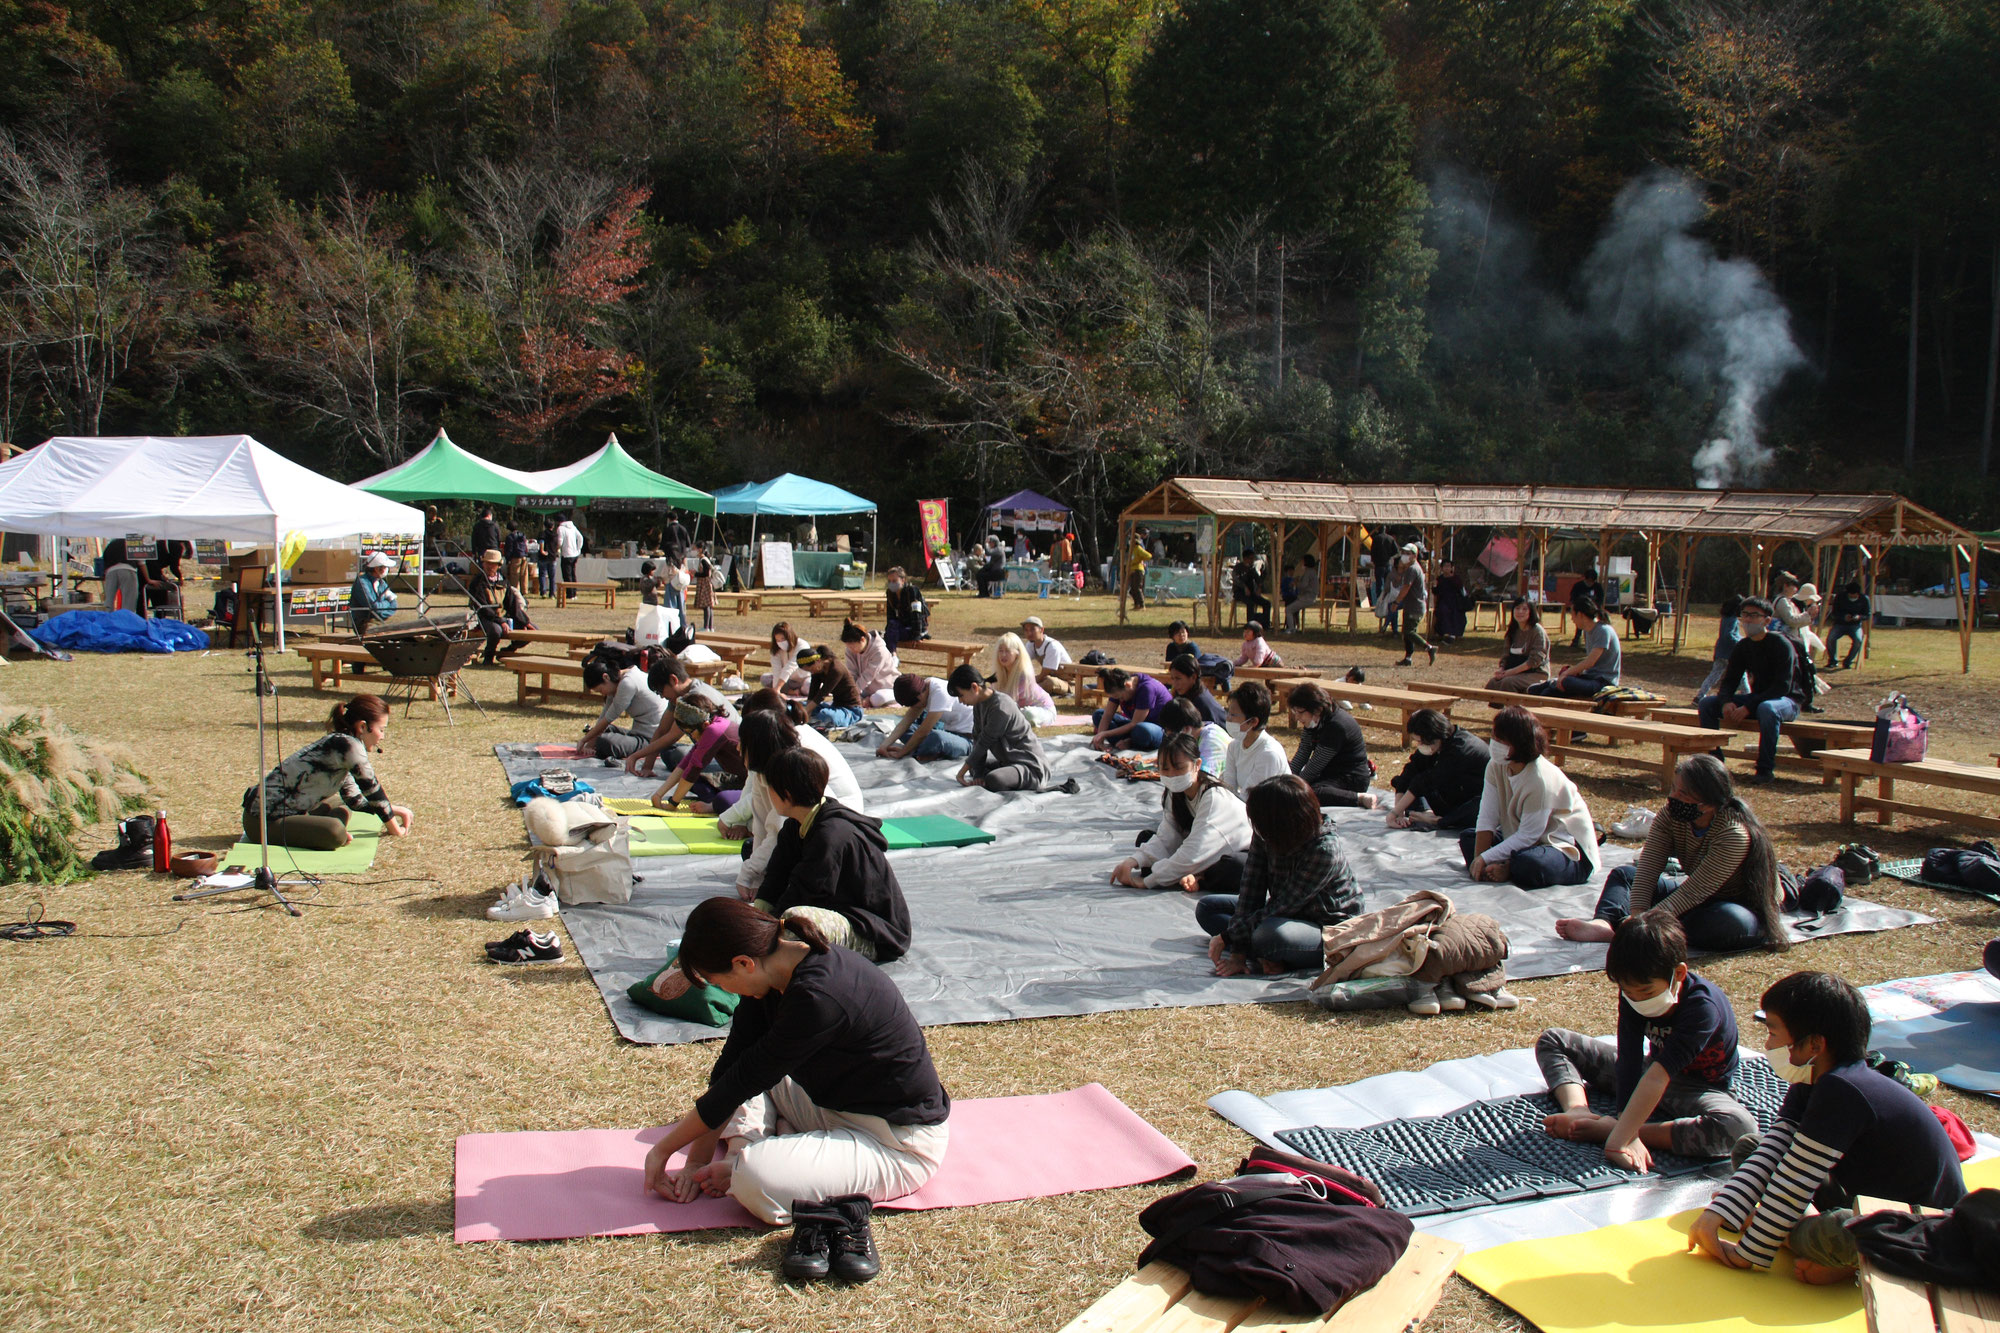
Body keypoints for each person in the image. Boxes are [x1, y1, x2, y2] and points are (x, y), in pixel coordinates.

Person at [639, 897, 949, 1234]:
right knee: (742, 1084)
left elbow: (741, 1082)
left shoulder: (818, 996)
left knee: (754, 1181)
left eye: (719, 982)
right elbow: (730, 1074)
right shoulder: (772, 974)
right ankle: (757, 1152)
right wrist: (695, 1163)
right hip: (828, 1105)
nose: (724, 990)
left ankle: (752, 1159)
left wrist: (661, 1151)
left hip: (895, 1143)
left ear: (743, 963)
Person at [1688, 972, 1965, 1286]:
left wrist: (1746, 1253)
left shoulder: (1842, 1089)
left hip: (1923, 1227)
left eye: (1774, 1033)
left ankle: (1829, 1250)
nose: (1768, 1045)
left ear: (1814, 1044)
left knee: (1837, 1234)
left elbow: (1795, 1181)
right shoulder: (1814, 1077)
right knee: (1751, 1147)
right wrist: (1718, 1214)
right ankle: (1787, 1231)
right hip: (1864, 1197)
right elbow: (1775, 1149)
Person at [1535, 911, 1756, 1173]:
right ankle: (1579, 1112)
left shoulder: (1702, 1008)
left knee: (1739, 1127)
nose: (1638, 1000)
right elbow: (1628, 1061)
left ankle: (1609, 1129)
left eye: (1647, 992)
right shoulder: (1633, 993)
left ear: (1679, 974)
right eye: (1629, 993)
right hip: (1649, 1071)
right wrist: (1620, 1118)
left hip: (1697, 1088)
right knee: (1554, 1040)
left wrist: (1622, 1134)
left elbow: (1658, 1077)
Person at [1557, 755, 1786, 951]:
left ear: (1706, 804)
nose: (1673, 797)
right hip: (1697, 896)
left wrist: (1642, 924)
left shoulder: (1734, 834)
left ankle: (1642, 936)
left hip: (1734, 904)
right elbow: (1648, 867)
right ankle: (1606, 925)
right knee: (1625, 875)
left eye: (1683, 793)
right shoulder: (1670, 816)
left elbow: (1694, 893)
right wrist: (1638, 915)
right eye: (1673, 789)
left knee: (1728, 923)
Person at [751, 747, 910, 960]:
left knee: (792, 925)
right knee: (748, 920)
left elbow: (806, 891)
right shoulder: (794, 826)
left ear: (786, 795)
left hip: (873, 933)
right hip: (837, 911)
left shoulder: (832, 835)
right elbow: (775, 877)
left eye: (770, 787)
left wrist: (763, 930)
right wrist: (756, 915)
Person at [1196, 775, 1362, 976]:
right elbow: (1251, 891)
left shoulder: (1325, 851)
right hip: (1282, 914)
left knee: (1269, 934)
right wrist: (1237, 953)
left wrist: (1227, 937)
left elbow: (1284, 905)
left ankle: (1273, 952)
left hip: (1325, 927)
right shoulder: (1266, 832)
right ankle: (1268, 955)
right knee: (1209, 908)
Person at [722, 707, 865, 902]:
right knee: (754, 851)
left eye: (742, 743)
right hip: (796, 837)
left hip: (825, 843)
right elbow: (762, 826)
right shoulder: (762, 772)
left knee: (783, 865)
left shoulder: (790, 772)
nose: (738, 748)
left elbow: (778, 835)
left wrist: (750, 876)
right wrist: (756, 880)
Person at [244, 694, 413, 849]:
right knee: (335, 832)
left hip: (288, 811)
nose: (382, 736)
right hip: (262, 821)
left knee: (340, 807)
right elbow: (372, 790)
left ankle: (312, 829)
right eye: (381, 730)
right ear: (363, 726)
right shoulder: (350, 746)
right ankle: (319, 832)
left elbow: (354, 799)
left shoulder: (341, 744)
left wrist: (394, 810)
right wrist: (395, 829)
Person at [1461, 705, 1597, 888]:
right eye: (1493, 737)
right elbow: (1487, 816)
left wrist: (1486, 858)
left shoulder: (1540, 779)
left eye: (1499, 739)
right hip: (1521, 838)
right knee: (1469, 839)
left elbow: (1529, 836)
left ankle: (1508, 867)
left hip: (1559, 846)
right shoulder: (1495, 766)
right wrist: (1480, 859)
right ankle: (1501, 867)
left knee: (1530, 864)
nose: (1493, 743)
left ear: (1518, 744)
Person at [1110, 734, 1252, 893]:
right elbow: (1168, 836)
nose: (1171, 775)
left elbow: (1196, 850)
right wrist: (1133, 861)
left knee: (1237, 868)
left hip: (1233, 852)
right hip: (1197, 849)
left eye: (1178, 768)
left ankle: (1199, 876)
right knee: (1147, 839)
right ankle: (1189, 874)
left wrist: (1147, 881)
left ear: (1197, 765)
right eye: (1165, 769)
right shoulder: (1174, 793)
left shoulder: (1214, 797)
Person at [1696, 598, 1802, 785]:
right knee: (1707, 704)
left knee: (1768, 709)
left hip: (1786, 701)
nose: (1748, 620)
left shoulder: (1781, 644)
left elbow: (1781, 687)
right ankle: (1715, 763)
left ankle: (1764, 769)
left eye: (1754, 616)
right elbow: (1729, 681)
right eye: (1745, 615)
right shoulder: (1743, 646)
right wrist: (1726, 701)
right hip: (1759, 699)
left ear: (1767, 620)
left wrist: (1748, 707)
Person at [951, 664, 1068, 793]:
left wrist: (961, 774)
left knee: (994, 779)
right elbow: (977, 738)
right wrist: (977, 774)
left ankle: (1004, 779)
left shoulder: (1001, 706)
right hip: (1008, 761)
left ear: (974, 687)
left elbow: (984, 742)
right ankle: (995, 776)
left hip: (1030, 766)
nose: (960, 701)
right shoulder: (978, 705)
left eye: (961, 695)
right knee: (974, 767)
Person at [1385, 709, 1488, 831]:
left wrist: (1394, 813)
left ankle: (1436, 820)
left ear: (1433, 736)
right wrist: (1399, 810)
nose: (1419, 745)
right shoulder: (1437, 743)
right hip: (1453, 792)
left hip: (1473, 799)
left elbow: (1426, 781)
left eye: (1420, 741)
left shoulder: (1461, 749)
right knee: (1408, 789)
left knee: (1478, 809)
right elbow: (1412, 770)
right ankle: (1427, 812)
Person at [1286, 682, 1377, 808]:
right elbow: (1303, 752)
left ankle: (1359, 798)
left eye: (1300, 712)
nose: (1297, 717)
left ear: (1317, 709)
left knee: (1309, 793)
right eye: (1294, 712)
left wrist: (1294, 786)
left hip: (1351, 777)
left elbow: (1316, 764)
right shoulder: (1313, 721)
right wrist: (1288, 777)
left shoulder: (1336, 726)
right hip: (1329, 773)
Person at [652, 695, 746, 814]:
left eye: (690, 732)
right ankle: (715, 800)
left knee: (723, 800)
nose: (691, 737)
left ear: (705, 725)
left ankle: (713, 804)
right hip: (742, 779)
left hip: (753, 785)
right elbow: (686, 764)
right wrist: (659, 794)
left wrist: (673, 804)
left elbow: (694, 768)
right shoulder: (710, 727)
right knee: (692, 782)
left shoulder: (714, 731)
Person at [575, 660, 668, 760]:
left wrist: (585, 740)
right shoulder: (617, 682)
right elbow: (604, 716)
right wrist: (589, 742)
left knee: (604, 741)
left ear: (606, 677)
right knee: (602, 730)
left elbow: (609, 718)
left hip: (652, 739)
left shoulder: (628, 683)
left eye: (600, 690)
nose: (603, 694)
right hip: (638, 733)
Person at [1529, 600, 1620, 698]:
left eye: (1572, 614)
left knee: (1566, 681)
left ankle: (1554, 683)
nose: (1572, 619)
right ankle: (1553, 684)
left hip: (1603, 683)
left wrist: (1567, 674)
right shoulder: (1587, 631)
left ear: (1580, 614)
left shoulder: (1603, 631)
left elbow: (1590, 662)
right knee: (1539, 690)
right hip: (1589, 677)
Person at [877, 673, 975, 762]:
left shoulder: (940, 693)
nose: (913, 708)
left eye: (913, 705)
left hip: (968, 739)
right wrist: (884, 745)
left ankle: (924, 750)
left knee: (937, 738)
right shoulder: (923, 688)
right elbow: (906, 722)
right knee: (905, 731)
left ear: (919, 697)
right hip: (948, 731)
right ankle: (926, 750)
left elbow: (923, 732)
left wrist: (902, 752)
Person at [1222, 682, 1290, 798]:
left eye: (1233, 715)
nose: (1228, 718)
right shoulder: (1234, 746)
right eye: (1228, 712)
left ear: (1253, 722)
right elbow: (1228, 788)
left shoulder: (1268, 754)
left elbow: (1249, 798)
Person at [469, 548, 535, 663]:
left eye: (493, 564)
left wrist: (525, 621)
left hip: (503, 617)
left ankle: (508, 651)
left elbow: (512, 604)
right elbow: (482, 607)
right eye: (488, 563)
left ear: (498, 565)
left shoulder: (503, 580)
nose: (490, 566)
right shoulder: (477, 582)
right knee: (496, 631)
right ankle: (489, 657)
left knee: (532, 631)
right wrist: (501, 621)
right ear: (483, 563)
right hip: (484, 618)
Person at [1090, 667, 1171, 752]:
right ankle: (1129, 741)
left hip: (1157, 730)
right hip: (1135, 727)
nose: (1120, 701)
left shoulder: (1147, 688)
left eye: (1120, 697)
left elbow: (1135, 723)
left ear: (1128, 685)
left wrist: (1105, 733)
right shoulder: (1119, 686)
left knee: (1142, 730)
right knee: (1098, 715)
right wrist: (1100, 738)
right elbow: (1107, 715)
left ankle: (1130, 742)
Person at [992, 631, 1057, 725]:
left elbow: (1008, 701)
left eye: (1007, 651)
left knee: (1028, 714)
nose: (1003, 655)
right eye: (1000, 651)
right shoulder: (999, 673)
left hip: (1043, 710)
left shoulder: (1024, 674)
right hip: (1017, 710)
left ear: (1017, 653)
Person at [1384, 550, 1435, 667]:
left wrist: (1396, 602)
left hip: (1415, 606)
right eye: (1403, 552)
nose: (1404, 555)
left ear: (1414, 555)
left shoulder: (1412, 569)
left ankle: (1429, 647)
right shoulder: (1413, 568)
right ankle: (1408, 658)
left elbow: (1406, 587)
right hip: (1413, 605)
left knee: (1408, 632)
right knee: (1408, 633)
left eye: (1408, 553)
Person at [1488, 598, 1551, 692]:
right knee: (1493, 683)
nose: (1520, 612)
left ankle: (1514, 706)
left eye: (1525, 609)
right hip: (1515, 671)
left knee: (1508, 682)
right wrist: (1502, 669)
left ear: (1531, 612)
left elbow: (1534, 661)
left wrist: (1510, 673)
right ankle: (1502, 707)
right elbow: (1506, 655)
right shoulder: (1513, 630)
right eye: (1517, 608)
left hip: (1536, 673)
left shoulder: (1537, 631)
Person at [797, 646, 865, 730]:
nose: (812, 672)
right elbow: (813, 693)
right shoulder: (818, 669)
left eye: (811, 669)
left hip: (851, 709)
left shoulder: (836, 669)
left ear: (818, 661)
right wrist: (806, 710)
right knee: (799, 706)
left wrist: (806, 712)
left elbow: (822, 695)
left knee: (826, 715)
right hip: (835, 705)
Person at [1157, 698, 1227, 777]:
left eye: (1168, 733)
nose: (1167, 736)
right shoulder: (1203, 731)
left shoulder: (1210, 743)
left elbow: (1203, 777)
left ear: (1186, 729)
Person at [1695, 595, 1745, 701]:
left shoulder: (1725, 618)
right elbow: (1728, 635)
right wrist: (1740, 642)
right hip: (1730, 653)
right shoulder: (1733, 619)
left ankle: (1699, 696)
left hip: (1720, 652)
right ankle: (1748, 696)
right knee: (1742, 675)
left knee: (1714, 675)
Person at [839, 620, 900, 707]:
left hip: (887, 688)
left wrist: (853, 695)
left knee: (878, 698)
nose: (850, 649)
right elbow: (852, 673)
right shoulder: (850, 650)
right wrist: (852, 693)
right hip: (865, 690)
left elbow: (868, 676)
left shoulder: (879, 650)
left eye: (852, 646)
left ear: (862, 640)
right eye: (848, 646)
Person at [1166, 654, 1227, 728]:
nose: (1174, 684)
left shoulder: (1201, 703)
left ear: (1193, 677)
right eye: (1172, 679)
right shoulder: (1183, 694)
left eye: (1178, 678)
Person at [347, 552, 398, 637]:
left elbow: (394, 605)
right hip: (365, 623)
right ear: (377, 568)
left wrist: (380, 610)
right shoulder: (362, 583)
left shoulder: (382, 582)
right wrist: (386, 604)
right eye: (385, 567)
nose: (387, 569)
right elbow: (373, 607)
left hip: (380, 620)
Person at [1019, 617, 1073, 696]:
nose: (1029, 633)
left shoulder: (1052, 646)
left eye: (1032, 629)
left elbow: (1044, 674)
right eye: (1026, 630)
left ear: (1041, 630)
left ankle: (1025, 692)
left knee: (1049, 682)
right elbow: (1021, 661)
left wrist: (1030, 682)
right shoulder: (1031, 644)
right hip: (1047, 677)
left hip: (1066, 682)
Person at [1823, 581, 1868, 670]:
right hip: (1840, 624)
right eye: (1850, 595)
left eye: (1854, 595)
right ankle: (1833, 661)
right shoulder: (1840, 597)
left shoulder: (1864, 599)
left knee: (1858, 640)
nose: (1852, 597)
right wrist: (1843, 617)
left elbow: (1868, 614)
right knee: (1831, 638)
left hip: (1855, 625)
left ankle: (1848, 661)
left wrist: (1859, 617)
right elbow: (1834, 613)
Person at [883, 567, 927, 652]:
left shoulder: (912, 591)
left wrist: (917, 635)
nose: (891, 584)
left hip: (915, 628)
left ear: (903, 580)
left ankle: (892, 656)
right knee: (890, 628)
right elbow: (890, 615)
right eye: (889, 581)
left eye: (894, 581)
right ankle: (893, 655)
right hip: (900, 627)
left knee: (890, 634)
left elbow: (917, 614)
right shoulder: (890, 593)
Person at [140, 540, 188, 618]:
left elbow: (155, 562)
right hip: (152, 572)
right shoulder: (177, 546)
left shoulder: (162, 543)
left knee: (142, 601)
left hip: (142, 571)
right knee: (160, 600)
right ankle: (160, 621)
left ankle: (140, 622)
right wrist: (180, 577)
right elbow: (174, 566)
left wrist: (160, 574)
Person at [763, 622, 811, 697]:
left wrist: (778, 687)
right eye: (777, 640)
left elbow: (791, 666)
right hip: (788, 681)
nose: (780, 643)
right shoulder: (776, 649)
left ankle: (798, 691)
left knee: (809, 687)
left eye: (783, 639)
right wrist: (776, 690)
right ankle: (791, 691)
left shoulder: (802, 645)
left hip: (804, 679)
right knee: (765, 678)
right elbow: (776, 669)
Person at [1231, 553, 1273, 629]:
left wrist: (1259, 587)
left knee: (1267, 603)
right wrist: (1244, 587)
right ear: (1245, 559)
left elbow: (1258, 579)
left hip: (1251, 593)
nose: (1252, 560)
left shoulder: (1251, 568)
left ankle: (1266, 624)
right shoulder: (1237, 568)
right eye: (1250, 558)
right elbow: (1236, 580)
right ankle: (1250, 625)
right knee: (1250, 603)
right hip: (1239, 592)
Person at [1282, 554, 1319, 634]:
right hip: (1310, 597)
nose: (1301, 562)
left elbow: (1303, 585)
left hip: (1307, 598)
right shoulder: (1312, 572)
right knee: (1292, 607)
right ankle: (1294, 626)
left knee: (1288, 609)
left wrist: (1295, 583)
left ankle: (1291, 628)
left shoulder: (1308, 572)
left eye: (1302, 561)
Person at [1433, 560, 1468, 642]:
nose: (1447, 568)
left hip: (1455, 602)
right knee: (1443, 611)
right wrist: (1434, 586)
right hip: (1443, 601)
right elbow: (1435, 592)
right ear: (1441, 568)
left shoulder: (1456, 579)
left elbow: (1461, 591)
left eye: (1449, 566)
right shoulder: (1440, 579)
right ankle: (1444, 633)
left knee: (1456, 614)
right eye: (1445, 566)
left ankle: (1454, 634)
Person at [1569, 569, 1604, 648]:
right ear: (1585, 579)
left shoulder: (1597, 587)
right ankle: (1576, 640)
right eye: (1588, 581)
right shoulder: (1578, 586)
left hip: (1593, 610)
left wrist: (1596, 607)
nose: (1590, 583)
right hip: (1580, 609)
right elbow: (1573, 598)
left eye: (1592, 581)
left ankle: (1591, 642)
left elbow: (1600, 600)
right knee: (1580, 624)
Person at [690, 543, 718, 631]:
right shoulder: (705, 559)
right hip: (707, 584)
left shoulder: (703, 560)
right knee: (709, 606)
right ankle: (710, 626)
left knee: (706, 606)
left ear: (700, 549)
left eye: (694, 548)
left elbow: (706, 573)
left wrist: (695, 574)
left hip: (705, 584)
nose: (693, 551)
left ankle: (706, 627)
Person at [1368, 528, 1395, 614]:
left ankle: (1380, 603)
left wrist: (1374, 560)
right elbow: (1396, 551)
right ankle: (1387, 602)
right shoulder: (1390, 539)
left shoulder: (1376, 539)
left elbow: (1372, 551)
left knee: (1379, 585)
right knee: (1388, 585)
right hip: (1387, 564)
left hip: (1379, 565)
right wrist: (1389, 555)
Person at [504, 524, 532, 601]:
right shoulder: (522, 535)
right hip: (524, 556)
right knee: (524, 574)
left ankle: (515, 591)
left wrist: (508, 559)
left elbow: (509, 548)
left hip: (515, 557)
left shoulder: (510, 537)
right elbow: (526, 546)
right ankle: (525, 590)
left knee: (514, 575)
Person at [555, 511, 584, 585]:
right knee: (573, 573)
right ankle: (574, 593)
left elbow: (560, 542)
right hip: (574, 554)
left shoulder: (560, 528)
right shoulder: (573, 527)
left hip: (566, 554)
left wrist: (557, 549)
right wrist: (578, 549)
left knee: (567, 575)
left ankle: (569, 594)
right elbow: (580, 537)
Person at [1125, 527, 1151, 609]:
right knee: (1132, 590)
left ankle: (1142, 605)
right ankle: (1137, 604)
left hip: (1138, 570)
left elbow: (1148, 556)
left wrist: (1141, 560)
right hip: (1132, 570)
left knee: (1137, 588)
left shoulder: (1138, 548)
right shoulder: (1131, 549)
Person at [536, 518, 559, 597]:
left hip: (543, 557)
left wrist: (542, 550)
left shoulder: (542, 534)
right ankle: (552, 593)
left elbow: (541, 542)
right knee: (552, 576)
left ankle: (543, 592)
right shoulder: (555, 535)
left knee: (542, 575)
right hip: (552, 556)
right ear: (553, 526)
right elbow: (557, 545)